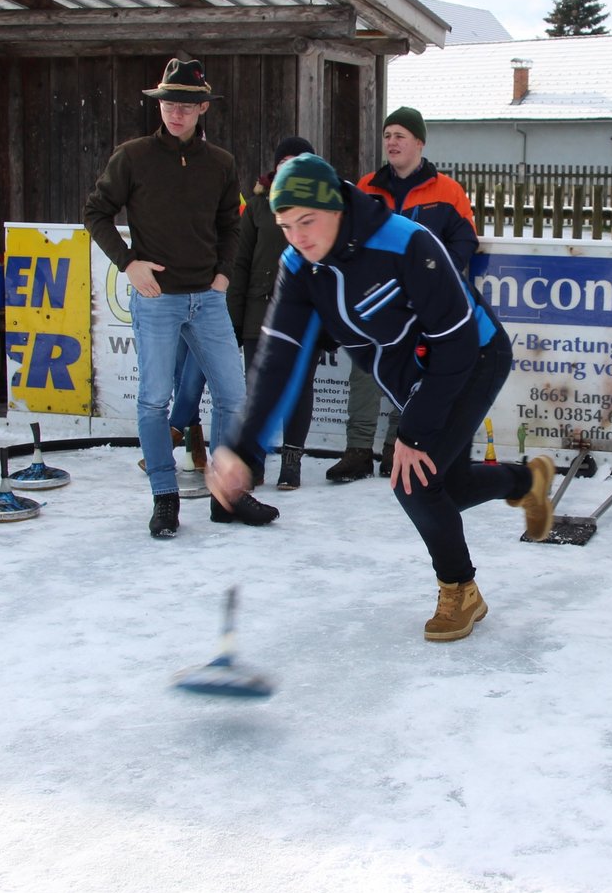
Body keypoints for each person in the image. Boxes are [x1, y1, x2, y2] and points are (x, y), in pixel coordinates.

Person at [209, 154, 555, 642]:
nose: (298, 237)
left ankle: (460, 589)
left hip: (473, 356)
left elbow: (455, 344)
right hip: (412, 375)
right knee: (448, 488)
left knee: (414, 480)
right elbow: (278, 360)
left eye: (307, 221)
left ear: (335, 207)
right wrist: (243, 449)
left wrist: (413, 432)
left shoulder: (406, 243)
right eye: (286, 226)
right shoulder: (300, 266)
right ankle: (527, 480)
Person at [83, 57, 279, 538]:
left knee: (233, 397)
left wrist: (223, 274)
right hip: (157, 298)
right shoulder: (133, 156)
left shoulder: (221, 163)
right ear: (159, 105)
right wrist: (128, 262)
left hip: (207, 299)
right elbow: (96, 212)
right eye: (169, 103)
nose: (176, 112)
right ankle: (165, 497)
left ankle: (225, 495)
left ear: (203, 108)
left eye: (187, 106)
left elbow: (230, 225)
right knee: (154, 400)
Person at [324, 105, 480, 483]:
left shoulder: (448, 191)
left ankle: (397, 445)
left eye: (400, 136)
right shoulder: (366, 187)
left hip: (424, 305)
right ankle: (358, 449)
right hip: (375, 301)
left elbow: (465, 240)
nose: (392, 142)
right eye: (387, 135)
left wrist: (435, 277)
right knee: (365, 372)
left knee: (413, 375)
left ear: (419, 143)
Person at [230, 135, 319, 490]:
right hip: (259, 312)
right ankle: (253, 461)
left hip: (306, 316)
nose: (290, 169)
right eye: (285, 162)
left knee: (299, 388)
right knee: (258, 390)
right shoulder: (256, 207)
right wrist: (235, 318)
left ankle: (292, 461)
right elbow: (240, 264)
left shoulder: (324, 210)